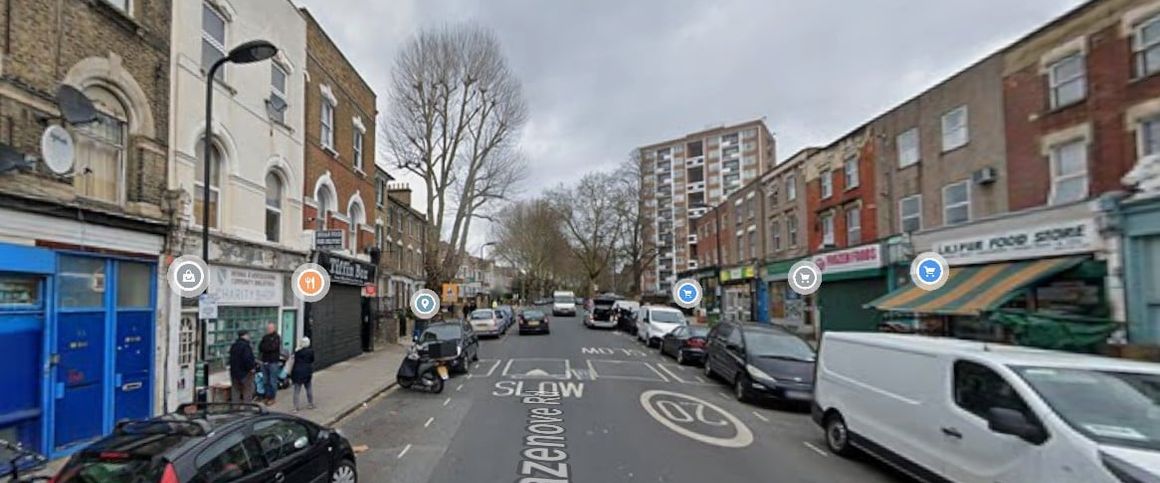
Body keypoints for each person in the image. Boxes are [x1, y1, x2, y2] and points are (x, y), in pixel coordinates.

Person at [228, 330, 256, 402]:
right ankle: (247, 410)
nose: (249, 337)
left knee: (235, 391)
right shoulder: (246, 346)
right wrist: (251, 368)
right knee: (247, 391)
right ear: (245, 335)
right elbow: (247, 359)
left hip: (234, 372)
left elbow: (231, 358)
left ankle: (235, 409)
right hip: (245, 373)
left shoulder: (234, 345)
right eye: (248, 335)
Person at [258, 323, 282, 405]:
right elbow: (260, 347)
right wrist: (267, 347)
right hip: (264, 361)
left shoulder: (277, 337)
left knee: (272, 381)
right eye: (268, 328)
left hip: (273, 362)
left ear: (274, 328)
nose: (268, 329)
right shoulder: (265, 337)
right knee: (265, 381)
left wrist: (266, 347)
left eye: (270, 328)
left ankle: (272, 397)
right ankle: (267, 396)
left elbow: (273, 347)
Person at [290, 337, 316, 411]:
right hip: (307, 372)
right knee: (308, 388)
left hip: (297, 372)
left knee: (296, 391)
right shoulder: (311, 352)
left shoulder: (298, 352)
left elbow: (294, 360)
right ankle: (310, 404)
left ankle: (295, 407)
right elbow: (312, 360)